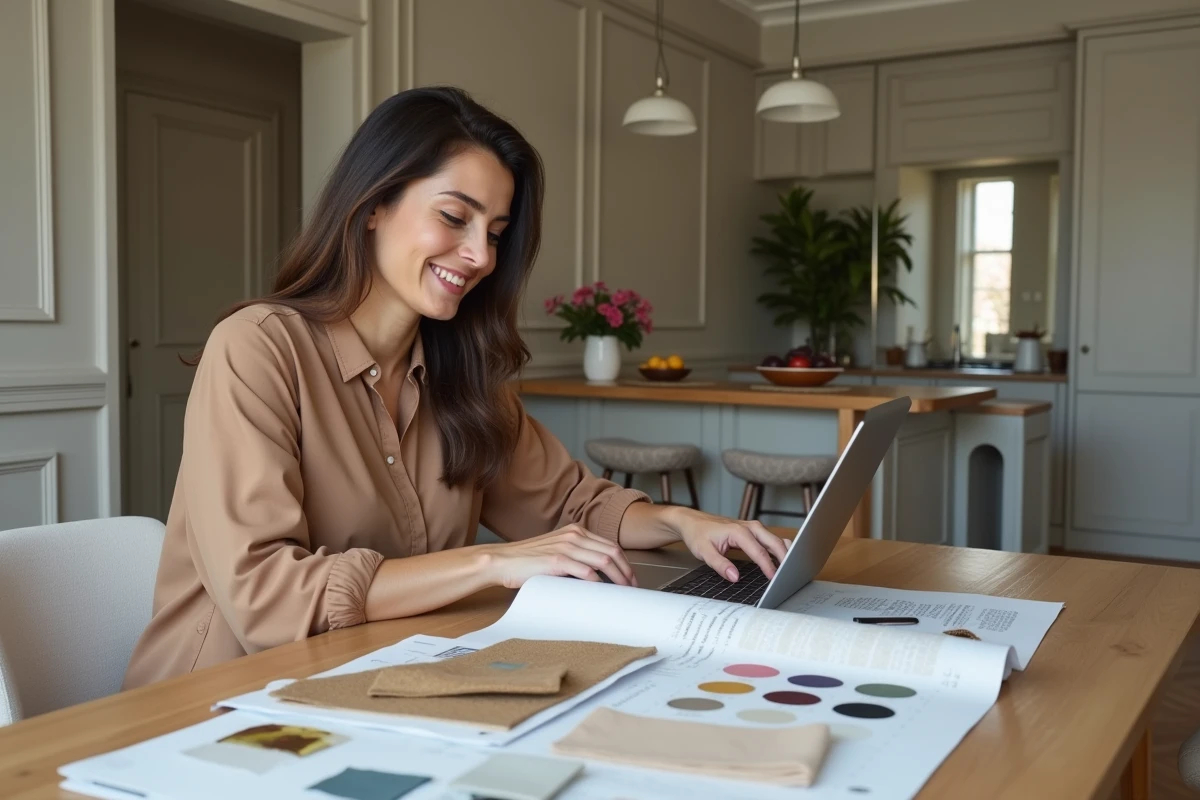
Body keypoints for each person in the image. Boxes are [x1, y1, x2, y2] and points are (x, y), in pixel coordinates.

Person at [122, 86, 787, 690]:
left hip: (386, 681)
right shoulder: (259, 346)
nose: (481, 256)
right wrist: (490, 564)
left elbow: (570, 506)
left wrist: (681, 521)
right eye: (454, 217)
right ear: (374, 204)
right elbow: (265, 596)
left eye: (495, 233)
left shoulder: (461, 370)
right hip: (218, 702)